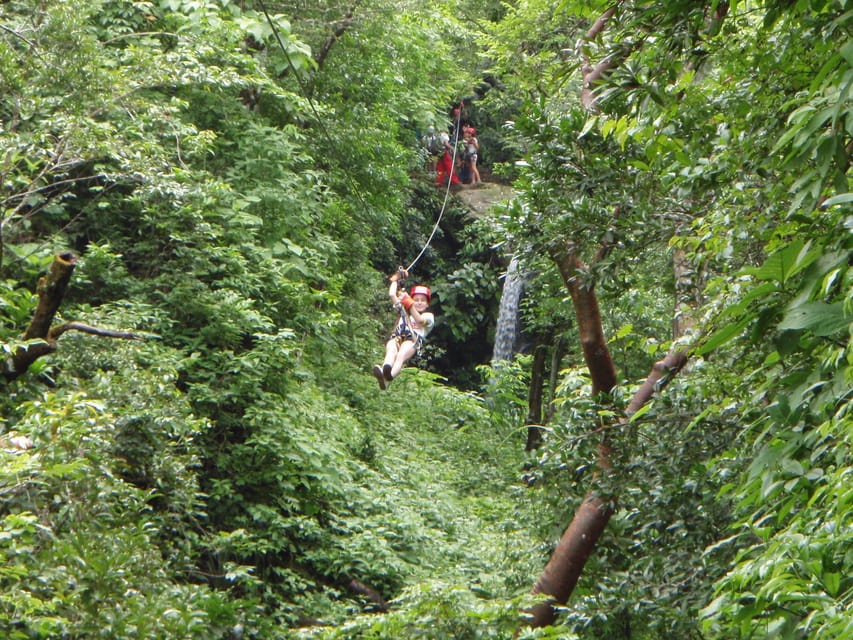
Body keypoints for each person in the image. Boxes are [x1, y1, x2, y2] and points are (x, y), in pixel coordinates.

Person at [373, 269, 435, 390]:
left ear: (427, 304)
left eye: (422, 300)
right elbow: (392, 294)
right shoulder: (404, 310)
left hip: (412, 339)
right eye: (416, 300)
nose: (419, 302)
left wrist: (410, 304)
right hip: (398, 335)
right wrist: (395, 279)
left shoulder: (429, 317)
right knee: (391, 350)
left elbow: (420, 320)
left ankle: (389, 376)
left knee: (401, 354)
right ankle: (385, 372)